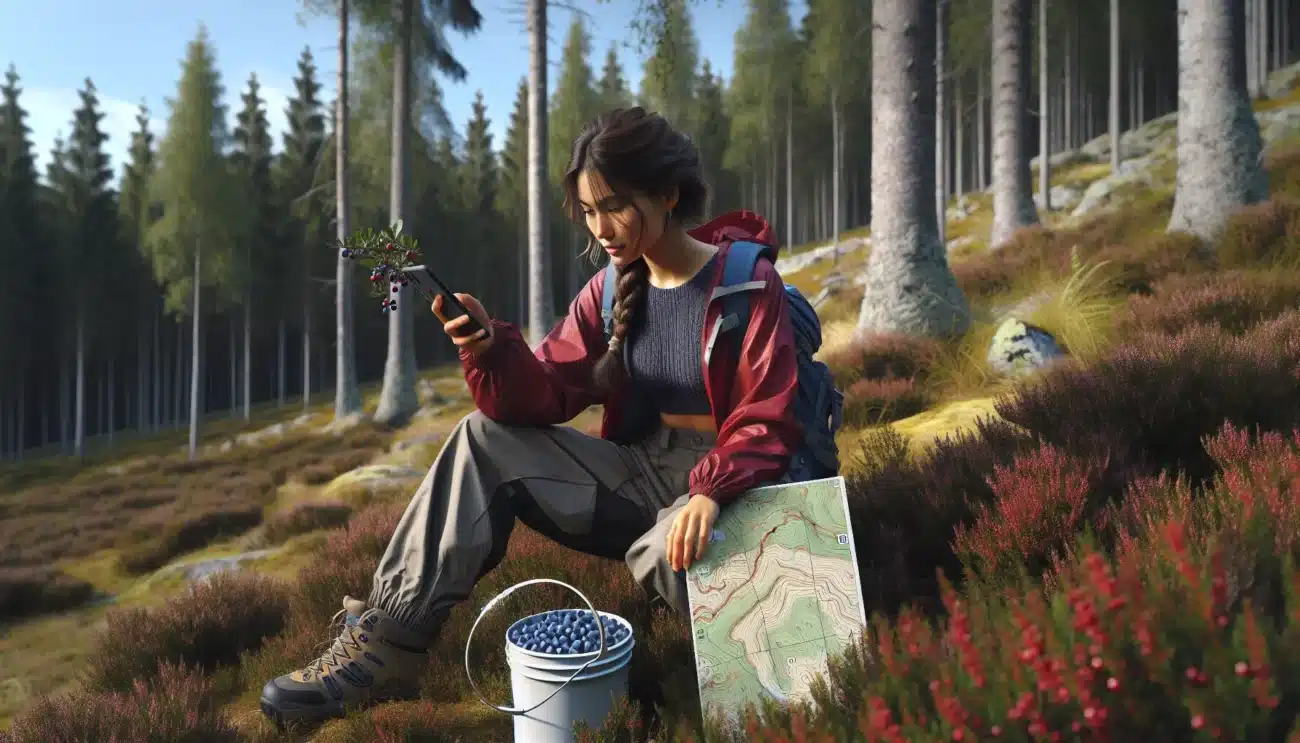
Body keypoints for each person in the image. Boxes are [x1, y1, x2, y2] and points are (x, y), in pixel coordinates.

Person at [259, 106, 802, 727]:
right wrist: (491, 347)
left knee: (667, 553)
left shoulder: (745, 283)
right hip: (640, 476)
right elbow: (545, 394)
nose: (601, 227)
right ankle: (388, 645)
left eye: (615, 205)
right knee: (480, 438)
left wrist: (709, 491)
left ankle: (760, 696)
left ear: (668, 194)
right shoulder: (608, 292)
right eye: (589, 211)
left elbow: (769, 415)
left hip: (733, 483)